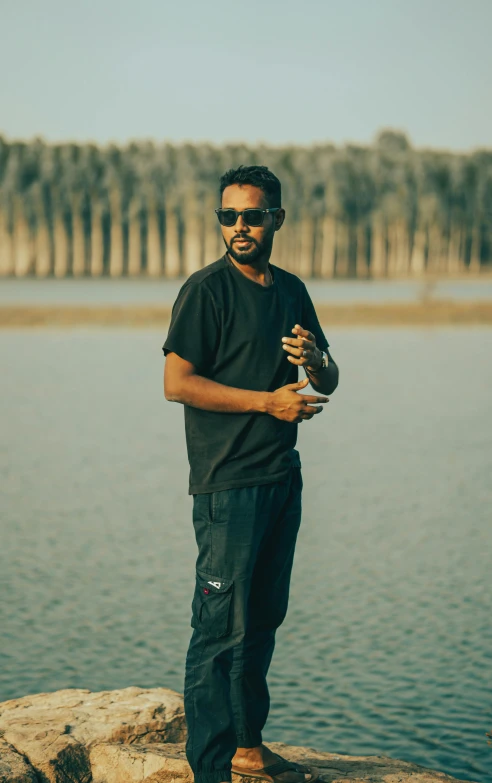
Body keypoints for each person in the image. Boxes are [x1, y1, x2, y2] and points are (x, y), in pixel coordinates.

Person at [162, 165, 339, 783]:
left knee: (261, 621)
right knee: (217, 635)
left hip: (279, 479)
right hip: (226, 484)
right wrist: (267, 402)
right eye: (228, 216)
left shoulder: (291, 291)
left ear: (276, 220)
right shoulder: (205, 291)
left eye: (252, 215)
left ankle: (247, 747)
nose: (239, 227)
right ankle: (209, 772)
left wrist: (317, 362)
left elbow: (331, 376)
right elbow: (175, 384)